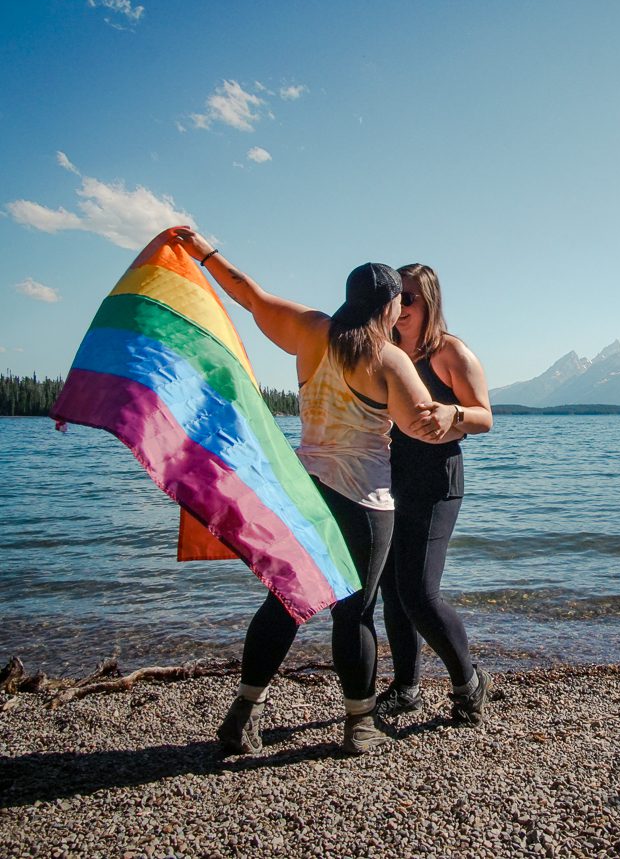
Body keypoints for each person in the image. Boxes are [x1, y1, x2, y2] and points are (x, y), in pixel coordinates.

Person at [172, 229, 453, 755]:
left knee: (284, 602)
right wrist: (458, 415)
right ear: (391, 305)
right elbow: (421, 427)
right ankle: (359, 725)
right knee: (355, 613)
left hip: (304, 492)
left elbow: (250, 296)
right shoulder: (387, 358)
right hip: (365, 501)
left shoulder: (311, 332)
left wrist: (206, 253)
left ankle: (244, 713)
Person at [376, 263, 494, 725]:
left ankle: (469, 681)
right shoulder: (384, 352)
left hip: (436, 481)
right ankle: (406, 688)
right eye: (395, 298)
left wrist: (454, 415)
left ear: (430, 302)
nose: (400, 307)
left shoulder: (450, 352)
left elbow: (485, 416)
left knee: (420, 594)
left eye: (410, 299)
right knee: (391, 591)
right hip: (387, 479)